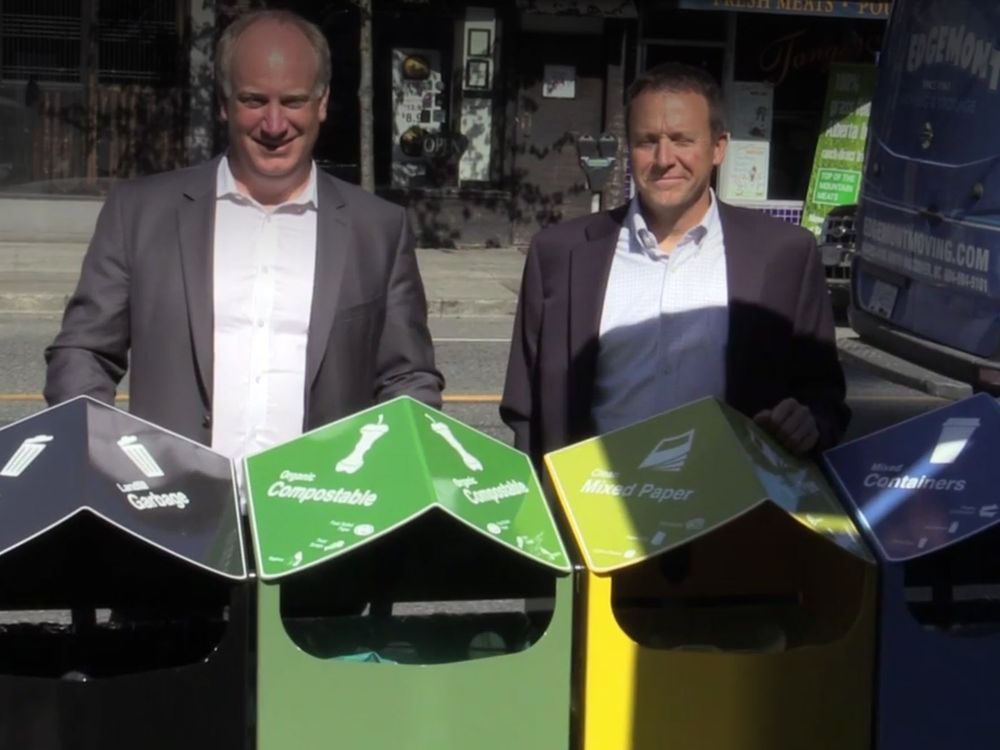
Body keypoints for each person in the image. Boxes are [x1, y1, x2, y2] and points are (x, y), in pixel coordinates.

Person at [44, 9, 443, 456]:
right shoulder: (139, 213)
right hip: (173, 493)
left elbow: (408, 379)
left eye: (292, 101)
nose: (274, 125)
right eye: (254, 101)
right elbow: (83, 353)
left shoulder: (379, 229)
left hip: (321, 495)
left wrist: (397, 469)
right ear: (223, 103)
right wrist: (106, 456)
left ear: (322, 102)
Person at [501, 62, 848, 468]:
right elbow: (525, 408)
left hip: (732, 497)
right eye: (647, 141)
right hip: (594, 494)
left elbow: (824, 397)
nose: (664, 158)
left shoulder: (785, 252)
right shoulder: (559, 253)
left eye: (682, 140)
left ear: (718, 147)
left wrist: (809, 424)